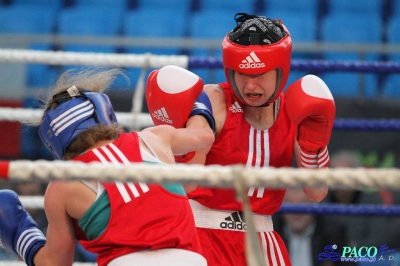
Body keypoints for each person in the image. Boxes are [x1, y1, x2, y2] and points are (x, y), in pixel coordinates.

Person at [146, 13, 336, 265]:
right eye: (242, 74)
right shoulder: (213, 102)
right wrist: (183, 150)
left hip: (262, 239)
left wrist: (314, 146)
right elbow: (186, 185)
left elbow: (317, 191)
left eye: (260, 75)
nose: (250, 85)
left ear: (281, 70)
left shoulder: (296, 110)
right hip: (202, 234)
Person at [0, 66, 215, 266]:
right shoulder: (154, 139)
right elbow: (204, 135)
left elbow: (55, 263)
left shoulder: (62, 186)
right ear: (104, 112)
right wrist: (195, 98)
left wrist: (23, 237)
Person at [273, 189, 350, 266]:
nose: (296, 213)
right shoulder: (270, 232)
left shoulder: (333, 232)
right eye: (290, 206)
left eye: (303, 205)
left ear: (315, 205)